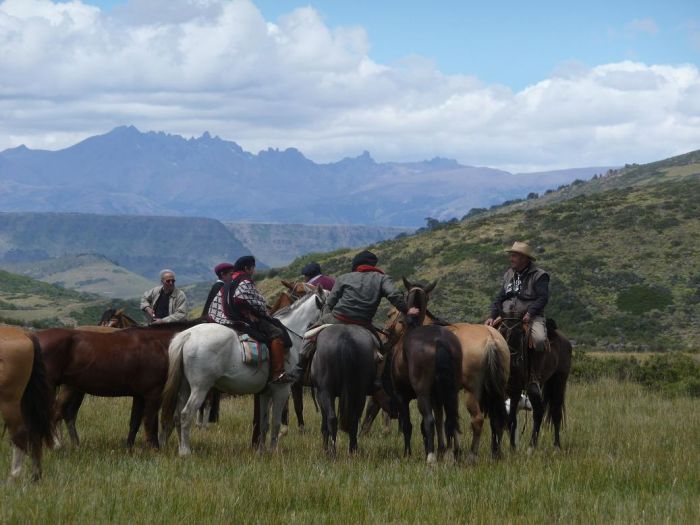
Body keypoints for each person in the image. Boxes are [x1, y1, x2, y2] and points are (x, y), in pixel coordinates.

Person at [292, 249, 419, 382]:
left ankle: (299, 368)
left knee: (309, 334)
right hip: (363, 323)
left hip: (338, 318)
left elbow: (330, 302)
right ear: (373, 265)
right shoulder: (382, 279)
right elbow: (394, 296)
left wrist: (324, 318)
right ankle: (377, 379)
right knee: (381, 348)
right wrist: (407, 310)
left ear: (357, 265)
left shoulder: (344, 277)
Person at [485, 241, 549, 397]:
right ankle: (491, 376)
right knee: (486, 338)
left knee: (539, 339)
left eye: (515, 256)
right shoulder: (509, 274)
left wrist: (531, 313)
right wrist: (492, 316)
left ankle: (534, 377)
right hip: (507, 316)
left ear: (525, 259)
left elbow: (543, 298)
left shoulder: (540, 275)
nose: (511, 258)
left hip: (529, 316)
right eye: (511, 255)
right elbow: (499, 298)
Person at [224, 255, 294, 384]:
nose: (254, 271)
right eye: (253, 268)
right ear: (247, 268)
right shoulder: (245, 280)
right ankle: (278, 373)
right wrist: (261, 311)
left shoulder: (229, 281)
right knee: (277, 333)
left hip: (231, 318)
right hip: (245, 319)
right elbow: (245, 299)